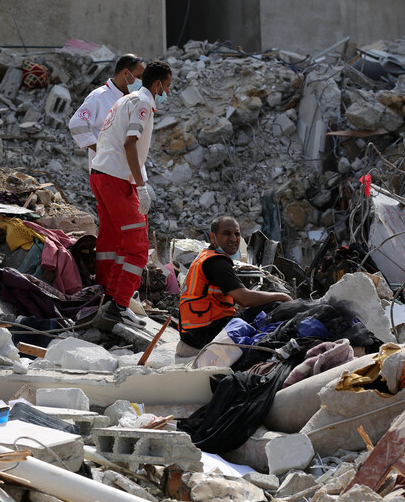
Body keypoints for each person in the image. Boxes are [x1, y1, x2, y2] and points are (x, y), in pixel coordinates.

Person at [92, 60, 172, 328]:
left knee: (115, 242)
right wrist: (140, 186)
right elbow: (130, 144)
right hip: (118, 180)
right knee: (137, 247)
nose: (169, 92)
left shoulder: (125, 100)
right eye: (168, 86)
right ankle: (119, 304)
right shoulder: (143, 104)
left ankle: (109, 298)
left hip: (101, 174)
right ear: (158, 84)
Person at [177, 216, 293, 357]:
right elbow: (244, 299)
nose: (233, 238)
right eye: (226, 233)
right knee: (274, 306)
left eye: (237, 234)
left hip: (194, 331)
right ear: (213, 237)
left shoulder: (205, 257)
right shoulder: (217, 262)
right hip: (205, 334)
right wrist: (282, 296)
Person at [69, 54, 145, 173]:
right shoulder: (99, 97)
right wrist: (103, 151)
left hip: (129, 172)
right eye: (138, 77)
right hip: (107, 173)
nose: (141, 82)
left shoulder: (133, 99)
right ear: (125, 73)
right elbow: (77, 124)